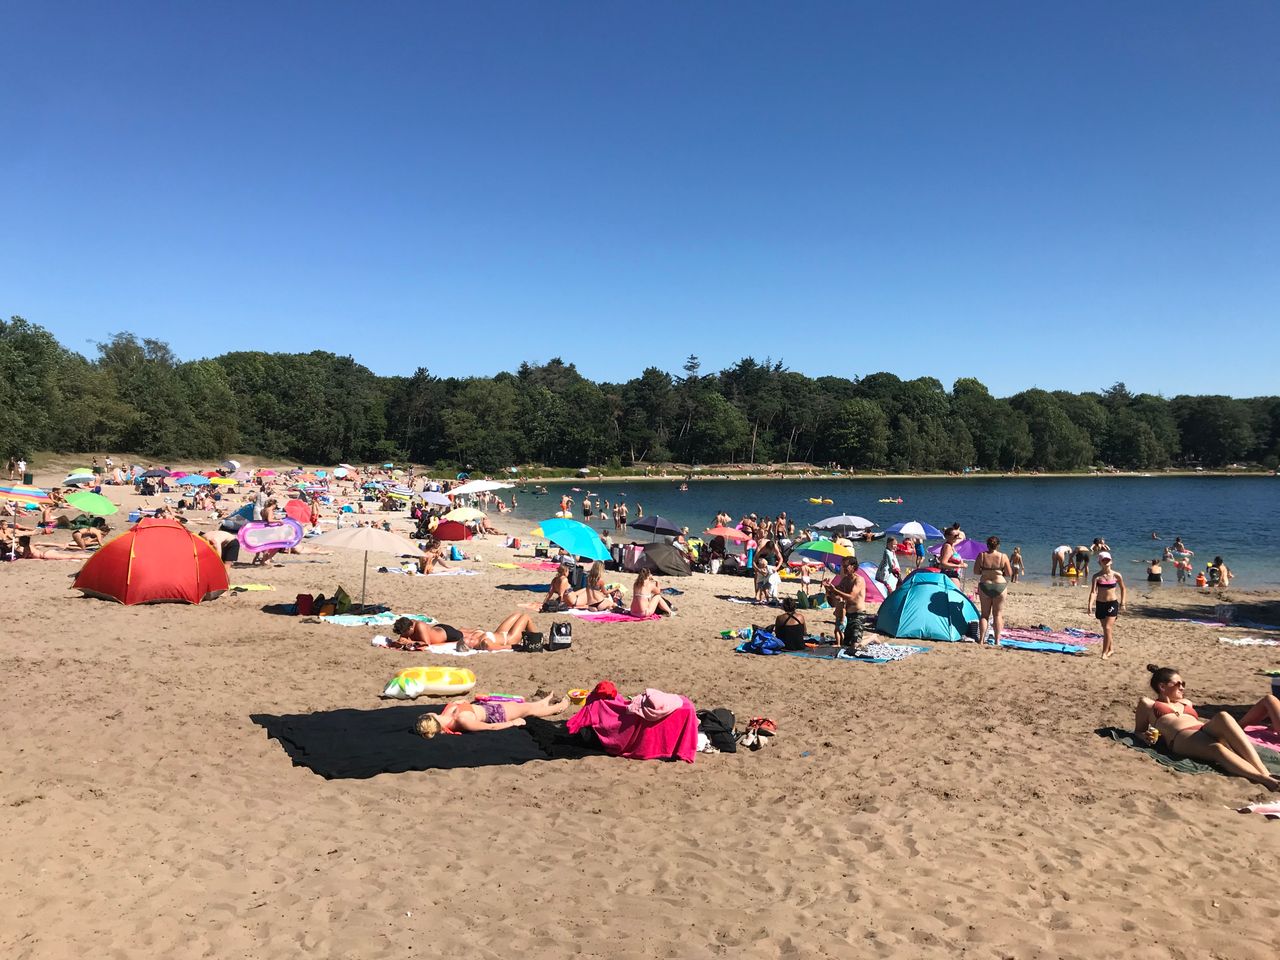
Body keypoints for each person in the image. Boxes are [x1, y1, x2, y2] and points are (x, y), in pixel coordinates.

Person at [1136, 666, 1279, 791]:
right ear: (1162, 687)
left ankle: (1264, 772)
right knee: (1216, 748)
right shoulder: (1148, 704)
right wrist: (1145, 736)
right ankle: (1264, 779)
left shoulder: (1186, 702)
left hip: (1202, 729)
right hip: (1181, 737)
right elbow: (1138, 731)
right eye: (1178, 684)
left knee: (1223, 716)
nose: (1182, 687)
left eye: (1183, 683)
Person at [414, 693, 571, 737]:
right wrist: (512, 724)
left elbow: (460, 702)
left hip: (488, 707)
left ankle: (543, 703)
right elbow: (491, 727)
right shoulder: (463, 720)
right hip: (497, 714)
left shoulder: (446, 714)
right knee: (527, 710)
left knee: (525, 706)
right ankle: (558, 707)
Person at [390, 612, 537, 651]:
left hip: (500, 635)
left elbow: (425, 644)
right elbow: (505, 647)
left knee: (520, 615)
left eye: (468, 640)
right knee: (522, 615)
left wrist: (408, 642)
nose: (469, 639)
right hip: (507, 638)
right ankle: (536, 639)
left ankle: (537, 639)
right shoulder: (484, 643)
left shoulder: (419, 626)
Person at [1086, 551, 1125, 659]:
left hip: (1112, 603)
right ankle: (1111, 649)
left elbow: (1123, 588)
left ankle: (1104, 653)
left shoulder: (1117, 575)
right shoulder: (1097, 577)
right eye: (1103, 560)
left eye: (1108, 559)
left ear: (1111, 561)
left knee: (1108, 627)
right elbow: (1093, 592)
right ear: (1100, 562)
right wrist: (1090, 605)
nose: (1106, 561)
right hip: (1100, 604)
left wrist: (1123, 603)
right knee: (1105, 628)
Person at [974, 536, 1012, 647]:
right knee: (998, 614)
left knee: (984, 615)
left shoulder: (982, 555)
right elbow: (1009, 573)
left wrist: (985, 570)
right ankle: (997, 641)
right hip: (999, 585)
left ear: (987, 545)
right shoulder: (1003, 556)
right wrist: (1000, 572)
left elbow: (976, 571)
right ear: (998, 545)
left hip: (985, 585)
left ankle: (981, 640)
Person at [825, 564, 866, 650]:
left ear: (853, 567)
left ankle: (873, 637)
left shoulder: (858, 580)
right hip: (848, 615)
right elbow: (833, 602)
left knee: (854, 646)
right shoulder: (845, 580)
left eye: (846, 565)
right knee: (846, 644)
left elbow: (851, 596)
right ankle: (862, 638)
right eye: (843, 566)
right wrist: (828, 589)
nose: (843, 568)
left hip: (858, 614)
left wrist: (835, 590)